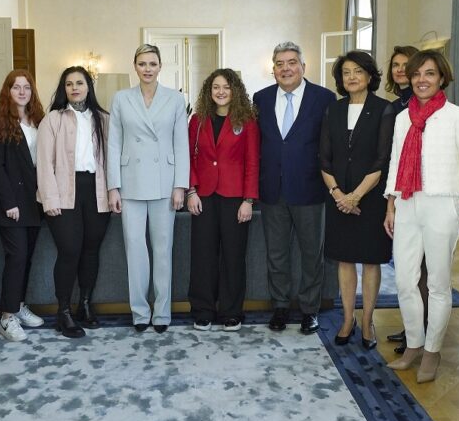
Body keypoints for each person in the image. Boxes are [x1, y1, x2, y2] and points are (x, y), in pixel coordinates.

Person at [383, 50, 459, 383]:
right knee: (404, 280)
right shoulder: (402, 118)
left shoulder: (457, 116)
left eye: (429, 74)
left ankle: (432, 350)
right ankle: (413, 344)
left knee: (438, 283)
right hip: (407, 202)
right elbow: (396, 163)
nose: (421, 80)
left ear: (442, 78)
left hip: (443, 203)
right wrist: (391, 204)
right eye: (416, 74)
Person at [253, 41, 335, 334]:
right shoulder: (260, 99)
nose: (285, 68)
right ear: (273, 69)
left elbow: (330, 147)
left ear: (303, 66)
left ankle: (310, 310)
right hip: (272, 190)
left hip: (311, 189)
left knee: (311, 254)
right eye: (279, 63)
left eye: (291, 62)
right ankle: (280, 307)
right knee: (276, 254)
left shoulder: (324, 98)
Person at [107, 44, 189, 333]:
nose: (147, 68)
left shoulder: (175, 99)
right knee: (135, 249)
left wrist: (181, 185)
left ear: (160, 66)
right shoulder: (121, 98)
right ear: (135, 66)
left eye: (152, 63)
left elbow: (181, 144)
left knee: (163, 249)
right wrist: (113, 187)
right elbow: (113, 143)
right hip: (130, 183)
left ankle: (163, 312)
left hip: (164, 182)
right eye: (142, 63)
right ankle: (140, 311)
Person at [319, 51, 395, 348]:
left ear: (369, 76)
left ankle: (367, 321)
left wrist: (356, 196)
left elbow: (382, 159)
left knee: (372, 260)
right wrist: (339, 194)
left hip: (371, 198)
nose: (351, 77)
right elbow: (324, 157)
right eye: (346, 72)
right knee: (345, 259)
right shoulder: (333, 110)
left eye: (358, 71)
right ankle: (348, 318)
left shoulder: (384, 109)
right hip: (337, 196)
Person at [38, 66, 112, 338]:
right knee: (70, 250)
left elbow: (112, 161)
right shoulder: (53, 120)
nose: (74, 88)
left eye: (79, 83)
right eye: (69, 84)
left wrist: (115, 193)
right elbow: (45, 164)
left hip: (97, 192)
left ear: (88, 86)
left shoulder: (104, 119)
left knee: (91, 250)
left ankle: (84, 305)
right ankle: (63, 311)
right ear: (63, 89)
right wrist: (50, 199)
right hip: (64, 192)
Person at [186, 68, 259, 332]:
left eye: (226, 87)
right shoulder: (197, 120)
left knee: (233, 255)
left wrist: (249, 199)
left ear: (235, 90)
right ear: (209, 90)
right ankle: (203, 309)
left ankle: (231, 311)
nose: (220, 91)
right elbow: (189, 158)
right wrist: (191, 191)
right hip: (203, 196)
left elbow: (252, 161)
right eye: (215, 87)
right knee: (203, 255)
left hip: (235, 197)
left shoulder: (247, 120)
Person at [0, 70, 47, 342]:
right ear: (7, 91)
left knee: (28, 257)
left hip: (35, 200)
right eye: (16, 87)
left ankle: (19, 305)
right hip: (12, 202)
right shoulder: (0, 121)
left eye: (26, 87)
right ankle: (7, 317)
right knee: (17, 257)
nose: (22, 92)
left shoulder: (39, 119)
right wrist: (9, 203)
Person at [382, 45, 427, 354]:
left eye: (405, 65)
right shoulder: (394, 105)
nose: (400, 70)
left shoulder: (424, 105)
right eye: (395, 65)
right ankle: (412, 327)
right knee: (407, 268)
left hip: (421, 192)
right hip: (397, 190)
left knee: (422, 268)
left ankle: (422, 331)